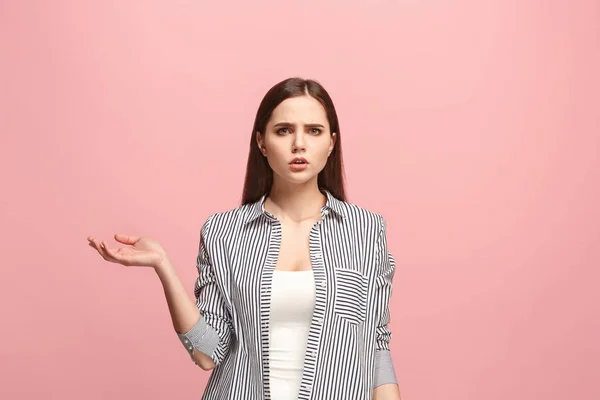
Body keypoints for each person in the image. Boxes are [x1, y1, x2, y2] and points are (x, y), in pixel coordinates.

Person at [88, 77, 402, 400]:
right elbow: (206, 353)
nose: (299, 144)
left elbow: (376, 346)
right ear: (262, 143)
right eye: (283, 130)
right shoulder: (223, 233)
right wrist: (162, 265)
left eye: (314, 130)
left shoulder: (365, 231)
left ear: (332, 143)